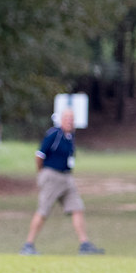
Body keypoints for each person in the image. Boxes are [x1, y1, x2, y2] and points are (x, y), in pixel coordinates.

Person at [20, 108, 105, 256]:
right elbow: (39, 155)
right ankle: (28, 244)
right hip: (52, 176)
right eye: (67, 118)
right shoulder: (54, 134)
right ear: (61, 120)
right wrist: (42, 173)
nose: (69, 121)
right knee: (43, 210)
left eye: (72, 119)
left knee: (77, 208)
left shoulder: (70, 136)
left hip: (66, 178)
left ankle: (84, 244)